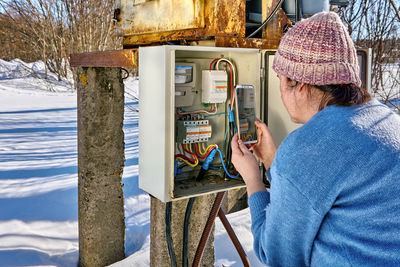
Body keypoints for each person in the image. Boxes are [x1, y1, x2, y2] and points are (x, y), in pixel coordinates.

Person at [231, 11, 400, 266]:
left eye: (280, 78)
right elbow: (319, 187)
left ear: (297, 83)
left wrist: (253, 178)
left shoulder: (306, 149)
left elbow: (275, 254)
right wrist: (273, 162)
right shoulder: (388, 121)